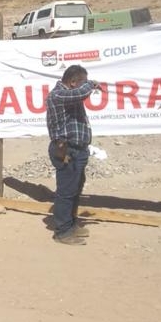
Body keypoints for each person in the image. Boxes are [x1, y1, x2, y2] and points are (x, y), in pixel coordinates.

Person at [45, 65, 102, 245]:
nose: (84, 86)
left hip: (77, 149)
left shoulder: (69, 94)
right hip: (66, 150)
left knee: (75, 190)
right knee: (66, 192)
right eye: (82, 82)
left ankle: (70, 224)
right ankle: (62, 232)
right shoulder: (58, 94)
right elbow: (81, 93)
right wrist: (91, 84)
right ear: (73, 82)